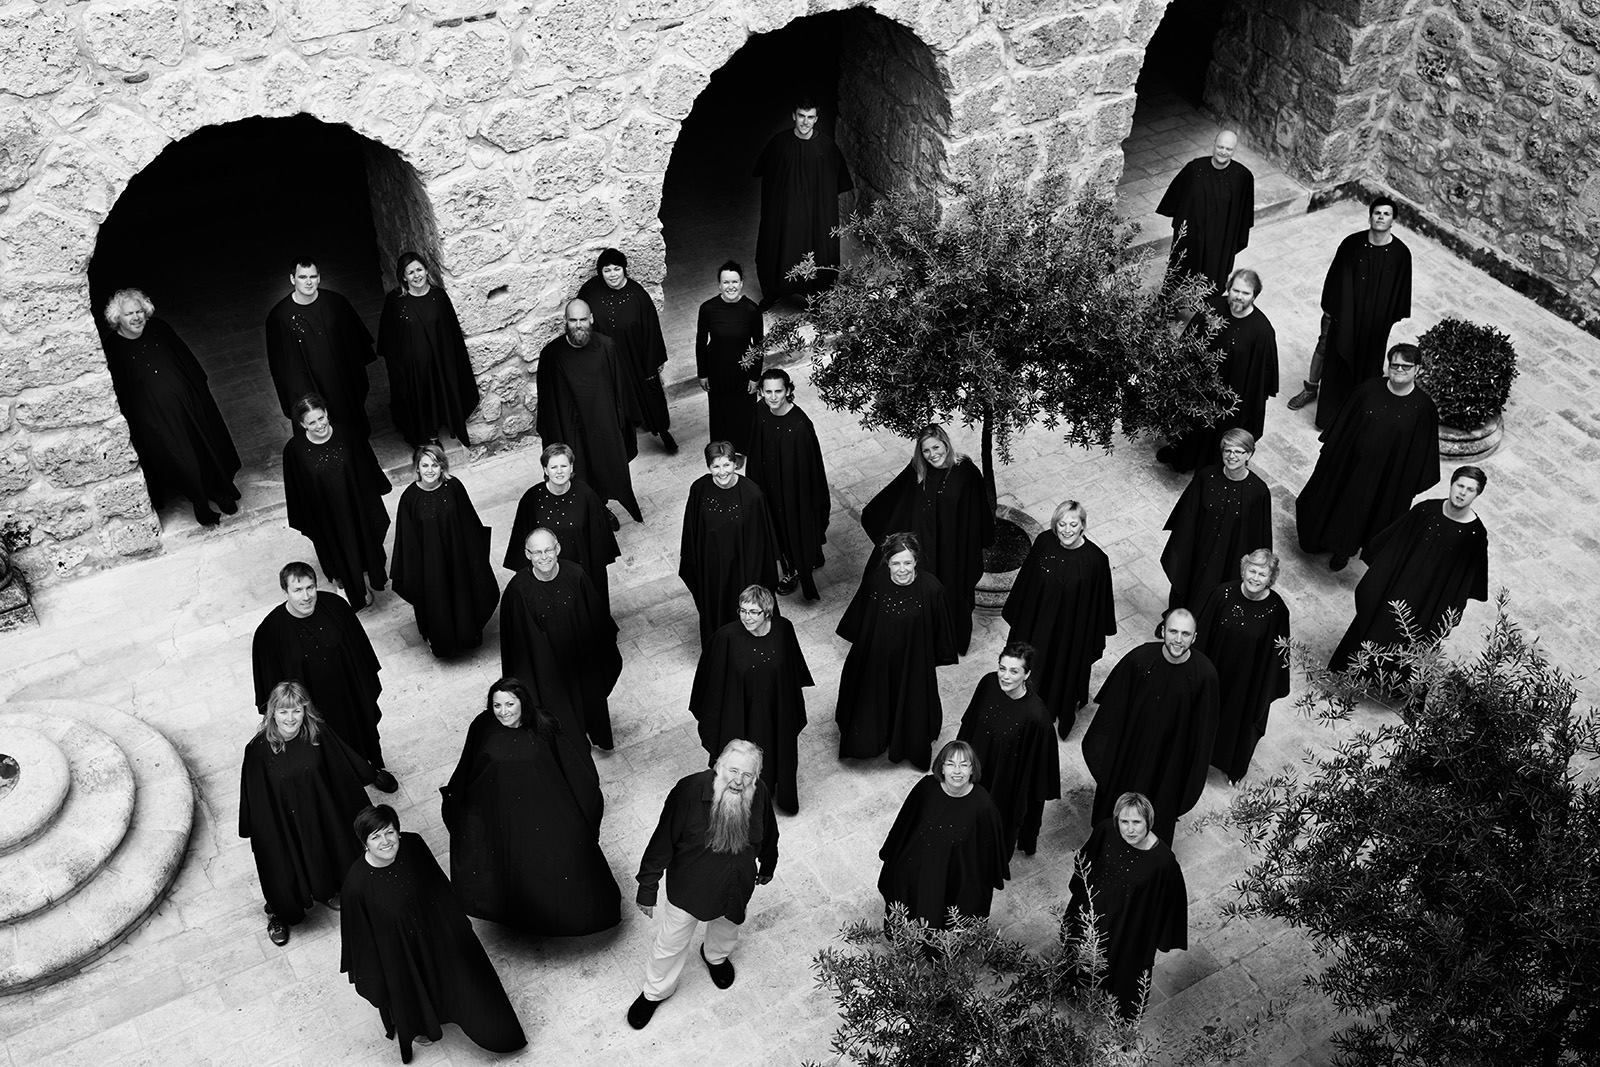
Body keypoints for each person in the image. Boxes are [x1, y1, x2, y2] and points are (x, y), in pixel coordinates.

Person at [340, 805, 526, 1063]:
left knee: (469, 987)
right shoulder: (356, 885)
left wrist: (457, 924)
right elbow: (360, 940)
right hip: (400, 954)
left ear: (398, 832)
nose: (386, 842)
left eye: (390, 832)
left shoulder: (413, 845)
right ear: (365, 844)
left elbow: (437, 883)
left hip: (435, 932)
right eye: (376, 837)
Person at [439, 678, 621, 935]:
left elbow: (568, 765)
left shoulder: (544, 725)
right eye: (497, 705)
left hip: (545, 809)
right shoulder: (482, 725)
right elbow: (470, 764)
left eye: (510, 704)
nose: (503, 712)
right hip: (501, 812)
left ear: (523, 702)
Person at [628, 740, 779, 1030]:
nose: (739, 781)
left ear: (755, 777)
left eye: (747, 775)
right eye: (733, 771)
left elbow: (770, 832)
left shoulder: (758, 792)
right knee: (670, 943)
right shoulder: (688, 791)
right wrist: (647, 888)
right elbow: (662, 840)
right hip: (690, 889)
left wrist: (768, 864)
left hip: (735, 885)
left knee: (727, 928)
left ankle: (716, 957)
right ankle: (655, 991)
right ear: (719, 766)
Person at [239, 681, 375, 947]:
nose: (290, 718)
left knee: (328, 847)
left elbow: (340, 770)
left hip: (319, 811)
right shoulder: (258, 749)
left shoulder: (318, 733)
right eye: (283, 711)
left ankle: (328, 888)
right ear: (273, 713)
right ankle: (279, 912)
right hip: (283, 820)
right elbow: (255, 795)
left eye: (296, 710)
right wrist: (261, 831)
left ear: (305, 710)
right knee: (282, 865)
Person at [252, 561, 398, 792]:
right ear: (285, 591)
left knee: (362, 732)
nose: (306, 596)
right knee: (322, 750)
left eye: (310, 587)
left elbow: (360, 649)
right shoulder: (270, 632)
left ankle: (372, 769)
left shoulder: (336, 607)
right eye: (298, 590)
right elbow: (270, 683)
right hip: (311, 706)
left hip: (348, 694)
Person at [100, 288, 241, 527]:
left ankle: (219, 492)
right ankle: (199, 503)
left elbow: (187, 360)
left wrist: (199, 395)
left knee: (203, 447)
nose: (136, 317)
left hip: (187, 405)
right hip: (155, 417)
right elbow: (120, 389)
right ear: (117, 318)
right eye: (129, 314)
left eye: (139, 311)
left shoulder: (159, 328)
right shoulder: (113, 347)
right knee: (182, 458)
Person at [1329, 466, 1490, 674]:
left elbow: (1464, 581)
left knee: (1411, 641)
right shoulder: (1426, 510)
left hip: (1429, 601)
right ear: (1452, 484)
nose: (1462, 493)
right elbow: (1393, 544)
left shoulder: (1475, 535)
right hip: (1397, 586)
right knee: (1376, 624)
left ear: (1477, 494)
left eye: (1470, 489)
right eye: (1460, 485)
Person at [1295, 343, 1440, 571]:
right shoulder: (1368, 390)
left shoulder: (1423, 409)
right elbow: (1343, 426)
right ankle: (1318, 540)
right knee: (1326, 502)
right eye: (1395, 365)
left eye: (1406, 366)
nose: (1399, 370)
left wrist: (1404, 485)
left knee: (1361, 516)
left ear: (1417, 369)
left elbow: (1420, 453)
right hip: (1348, 466)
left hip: (1383, 479)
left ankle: (1343, 551)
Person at [1082, 609, 1219, 843]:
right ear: (1162, 631)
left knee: (1158, 816)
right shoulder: (1139, 659)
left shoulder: (1205, 676)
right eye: (1173, 631)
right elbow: (1112, 710)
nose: (1178, 639)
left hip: (1168, 764)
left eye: (1185, 634)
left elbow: (1204, 733)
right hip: (1129, 754)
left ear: (1195, 637)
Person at [861, 425, 994, 655]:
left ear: (946, 444)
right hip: (926, 548)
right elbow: (895, 497)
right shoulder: (917, 470)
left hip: (953, 550)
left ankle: (948, 642)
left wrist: (980, 541)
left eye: (936, 447)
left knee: (951, 594)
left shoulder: (966, 471)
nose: (932, 454)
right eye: (926, 450)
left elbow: (978, 509)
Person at [835, 532, 958, 770]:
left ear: (916, 561)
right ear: (887, 563)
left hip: (913, 662)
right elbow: (860, 621)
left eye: (907, 563)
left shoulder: (932, 589)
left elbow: (940, 630)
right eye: (896, 563)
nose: (902, 569)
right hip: (876, 662)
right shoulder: (875, 583)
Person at [1286, 196, 1413, 428]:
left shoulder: (1401, 254)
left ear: (1393, 220)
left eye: (1386, 214)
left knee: (1368, 360)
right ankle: (1312, 391)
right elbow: (1334, 278)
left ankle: (1359, 409)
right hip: (1342, 314)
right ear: (1370, 216)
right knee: (1326, 348)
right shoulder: (1351, 244)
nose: (1381, 217)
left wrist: (1386, 320)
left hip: (1374, 322)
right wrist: (1331, 311)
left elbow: (1401, 290)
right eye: (1377, 213)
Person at [689, 585, 814, 814]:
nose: (747, 617)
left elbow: (791, 668)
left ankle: (771, 789)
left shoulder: (783, 629)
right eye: (743, 611)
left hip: (775, 710)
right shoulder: (726, 637)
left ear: (767, 612)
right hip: (741, 715)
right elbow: (710, 678)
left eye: (754, 612)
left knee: (776, 750)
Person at [1062, 792, 1188, 1018]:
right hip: (1094, 913)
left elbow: (1170, 902)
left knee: (1124, 972)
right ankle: (1074, 986)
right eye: (1124, 821)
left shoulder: (1164, 861)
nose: (1130, 829)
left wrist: (1156, 937)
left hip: (1128, 927)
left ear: (1148, 821)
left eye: (1136, 822)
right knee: (1080, 953)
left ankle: (1121, 1020)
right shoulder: (1106, 830)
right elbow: (1086, 861)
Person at [1002, 500, 1117, 739]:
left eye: (1073, 524)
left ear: (1083, 525)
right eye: (1061, 524)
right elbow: (1027, 581)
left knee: (1061, 668)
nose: (1066, 530)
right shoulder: (1044, 542)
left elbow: (1099, 603)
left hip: (1070, 634)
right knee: (1033, 664)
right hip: (1037, 627)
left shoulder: (1096, 561)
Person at [499, 528, 622, 750]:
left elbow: (597, 619)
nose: (543, 557)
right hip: (546, 669)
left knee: (589, 700)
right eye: (537, 552)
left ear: (558, 549)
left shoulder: (576, 575)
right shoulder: (518, 590)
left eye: (548, 550)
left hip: (580, 662)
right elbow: (514, 642)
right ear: (527, 554)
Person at [877, 740, 1010, 928]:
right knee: (910, 906)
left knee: (939, 916)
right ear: (942, 768)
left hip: (953, 877)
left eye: (964, 765)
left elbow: (988, 851)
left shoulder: (984, 805)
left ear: (972, 770)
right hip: (917, 867)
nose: (957, 771)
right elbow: (904, 824)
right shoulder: (925, 788)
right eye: (951, 764)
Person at [1157, 269, 1279, 473]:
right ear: (1228, 288)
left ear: (1254, 295)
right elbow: (1188, 338)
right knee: (1191, 424)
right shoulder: (1212, 307)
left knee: (1219, 433)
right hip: (1199, 386)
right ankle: (1182, 457)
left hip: (1231, 397)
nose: (1239, 296)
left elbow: (1261, 376)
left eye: (1245, 293)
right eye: (1235, 290)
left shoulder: (1263, 331)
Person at [535, 298, 643, 525]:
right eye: (573, 320)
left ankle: (602, 506)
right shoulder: (551, 355)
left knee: (605, 468)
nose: (578, 325)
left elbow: (620, 387)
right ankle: (591, 511)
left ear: (591, 319)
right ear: (565, 321)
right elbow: (546, 401)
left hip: (602, 425)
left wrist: (624, 422)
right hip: (569, 428)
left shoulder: (606, 346)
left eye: (583, 319)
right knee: (579, 470)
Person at [281, 394, 392, 610]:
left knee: (365, 540)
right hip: (326, 517)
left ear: (326, 413)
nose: (319, 425)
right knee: (335, 551)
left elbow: (367, 465)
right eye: (312, 422)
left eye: (321, 418)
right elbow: (295, 489)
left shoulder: (348, 435)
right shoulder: (294, 450)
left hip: (357, 507)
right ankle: (345, 584)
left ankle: (367, 573)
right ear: (302, 424)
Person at [389, 443, 498, 657]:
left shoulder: (454, 487)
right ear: (417, 468)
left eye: (435, 465)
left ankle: (467, 636)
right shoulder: (409, 498)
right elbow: (407, 539)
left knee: (463, 595)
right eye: (425, 465)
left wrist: (475, 558)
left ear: (442, 467)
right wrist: (417, 572)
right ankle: (442, 643)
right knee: (438, 601)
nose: (430, 470)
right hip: (431, 565)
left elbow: (469, 521)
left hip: (457, 557)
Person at [1194, 549, 1291, 783]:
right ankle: (1195, 759)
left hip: (1247, 683)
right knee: (1203, 716)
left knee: (1238, 724)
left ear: (1271, 579)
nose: (1255, 578)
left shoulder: (1277, 611)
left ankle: (1232, 767)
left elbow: (1277, 656)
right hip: (1215, 672)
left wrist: (1264, 691)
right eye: (1252, 571)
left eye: (1262, 574)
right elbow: (1203, 633)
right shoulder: (1222, 594)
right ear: (1243, 569)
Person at [956, 642, 1061, 859]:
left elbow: (1038, 766)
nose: (1005, 676)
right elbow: (970, 722)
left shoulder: (1037, 717)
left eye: (1014, 671)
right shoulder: (988, 683)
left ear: (1027, 674)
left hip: (1004, 784)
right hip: (975, 768)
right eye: (1002, 668)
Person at [753, 97, 854, 308]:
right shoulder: (779, 144)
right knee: (776, 245)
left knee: (817, 248)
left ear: (816, 119)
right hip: (784, 211)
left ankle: (816, 298)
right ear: (794, 116)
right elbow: (764, 172)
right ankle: (773, 292)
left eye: (810, 117)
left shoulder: (827, 147)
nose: (805, 122)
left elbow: (839, 183)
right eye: (801, 116)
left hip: (816, 213)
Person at [679, 441, 782, 645]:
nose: (722, 472)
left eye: (726, 464)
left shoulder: (752, 495)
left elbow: (762, 541)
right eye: (715, 466)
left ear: (736, 464)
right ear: (708, 467)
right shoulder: (699, 489)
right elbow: (691, 530)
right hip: (712, 571)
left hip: (742, 571)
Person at [1160, 428, 1273, 612]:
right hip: (1199, 551)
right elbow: (1187, 516)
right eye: (1227, 450)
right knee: (1189, 589)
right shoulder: (1206, 477)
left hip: (1231, 557)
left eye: (1238, 451)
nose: (1232, 456)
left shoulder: (1258, 491)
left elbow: (1260, 534)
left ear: (1249, 454)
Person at [375, 251, 480, 448]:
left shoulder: (438, 296)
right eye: (410, 272)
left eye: (419, 270)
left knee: (440, 392)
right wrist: (399, 366)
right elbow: (389, 336)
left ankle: (448, 421)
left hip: (439, 362)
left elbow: (451, 332)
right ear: (403, 277)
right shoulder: (395, 301)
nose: (416, 276)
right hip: (413, 367)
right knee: (420, 398)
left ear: (426, 270)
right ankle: (429, 435)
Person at [577, 247, 677, 454]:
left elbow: (652, 329)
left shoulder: (637, 295)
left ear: (624, 269)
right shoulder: (590, 291)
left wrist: (654, 360)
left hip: (635, 356)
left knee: (649, 395)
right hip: (607, 358)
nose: (612, 274)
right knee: (614, 399)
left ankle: (662, 431)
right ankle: (622, 441)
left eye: (617, 269)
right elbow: (581, 322)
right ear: (600, 272)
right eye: (607, 270)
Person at [742, 367, 830, 600]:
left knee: (795, 528)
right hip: (768, 484)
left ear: (788, 390)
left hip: (793, 491)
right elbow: (755, 448)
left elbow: (810, 469)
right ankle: (801, 561)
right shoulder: (761, 410)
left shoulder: (800, 425)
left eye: (778, 391)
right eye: (768, 391)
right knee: (776, 529)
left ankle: (796, 569)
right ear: (761, 392)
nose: (773, 397)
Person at [503, 442, 621, 612]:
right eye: (553, 467)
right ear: (545, 470)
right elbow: (522, 539)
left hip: (583, 569)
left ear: (571, 467)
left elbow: (598, 539)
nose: (559, 471)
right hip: (548, 570)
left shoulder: (586, 494)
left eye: (564, 466)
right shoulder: (531, 499)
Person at [264, 257, 375, 437]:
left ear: (319, 278)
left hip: (341, 383)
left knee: (352, 428)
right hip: (309, 386)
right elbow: (281, 365)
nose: (308, 282)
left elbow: (355, 345)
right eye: (302, 277)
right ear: (292, 279)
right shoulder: (279, 318)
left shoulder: (336, 303)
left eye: (313, 276)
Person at [1155, 129, 1254, 294]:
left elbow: (1244, 213)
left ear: (1234, 150)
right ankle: (1171, 304)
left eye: (1228, 149)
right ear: (1214, 145)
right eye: (1220, 147)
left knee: (1212, 279)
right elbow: (1176, 196)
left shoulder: (1243, 177)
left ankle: (1206, 306)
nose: (1223, 152)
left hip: (1220, 241)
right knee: (1181, 273)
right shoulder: (1195, 168)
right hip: (1192, 236)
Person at [694, 261, 765, 454]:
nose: (730, 286)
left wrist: (755, 377)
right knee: (720, 414)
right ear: (719, 285)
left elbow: (759, 346)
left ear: (741, 283)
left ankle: (743, 451)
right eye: (726, 282)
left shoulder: (752, 310)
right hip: (716, 371)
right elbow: (701, 343)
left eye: (734, 281)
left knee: (743, 414)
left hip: (743, 372)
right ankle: (721, 454)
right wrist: (702, 373)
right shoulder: (707, 308)